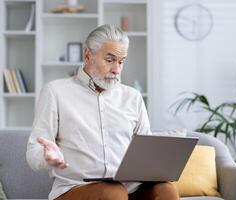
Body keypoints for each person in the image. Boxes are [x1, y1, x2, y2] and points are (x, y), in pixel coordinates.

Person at [26, 24, 179, 200]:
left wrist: (157, 166)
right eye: (110, 60)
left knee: (166, 191)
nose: (117, 69)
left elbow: (146, 151)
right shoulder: (55, 92)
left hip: (129, 189)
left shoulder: (133, 97)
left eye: (121, 61)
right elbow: (33, 152)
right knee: (113, 193)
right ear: (87, 55)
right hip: (77, 189)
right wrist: (47, 158)